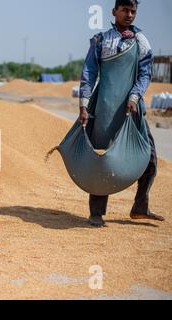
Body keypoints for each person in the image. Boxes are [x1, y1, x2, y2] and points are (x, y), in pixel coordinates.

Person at [78, 0, 165, 227]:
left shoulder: (141, 41)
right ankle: (96, 213)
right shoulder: (101, 40)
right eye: (125, 10)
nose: (129, 14)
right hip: (104, 109)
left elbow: (145, 74)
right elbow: (89, 73)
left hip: (132, 110)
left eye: (133, 11)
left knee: (149, 156)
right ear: (114, 11)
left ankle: (140, 206)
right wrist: (84, 106)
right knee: (102, 159)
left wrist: (135, 96)